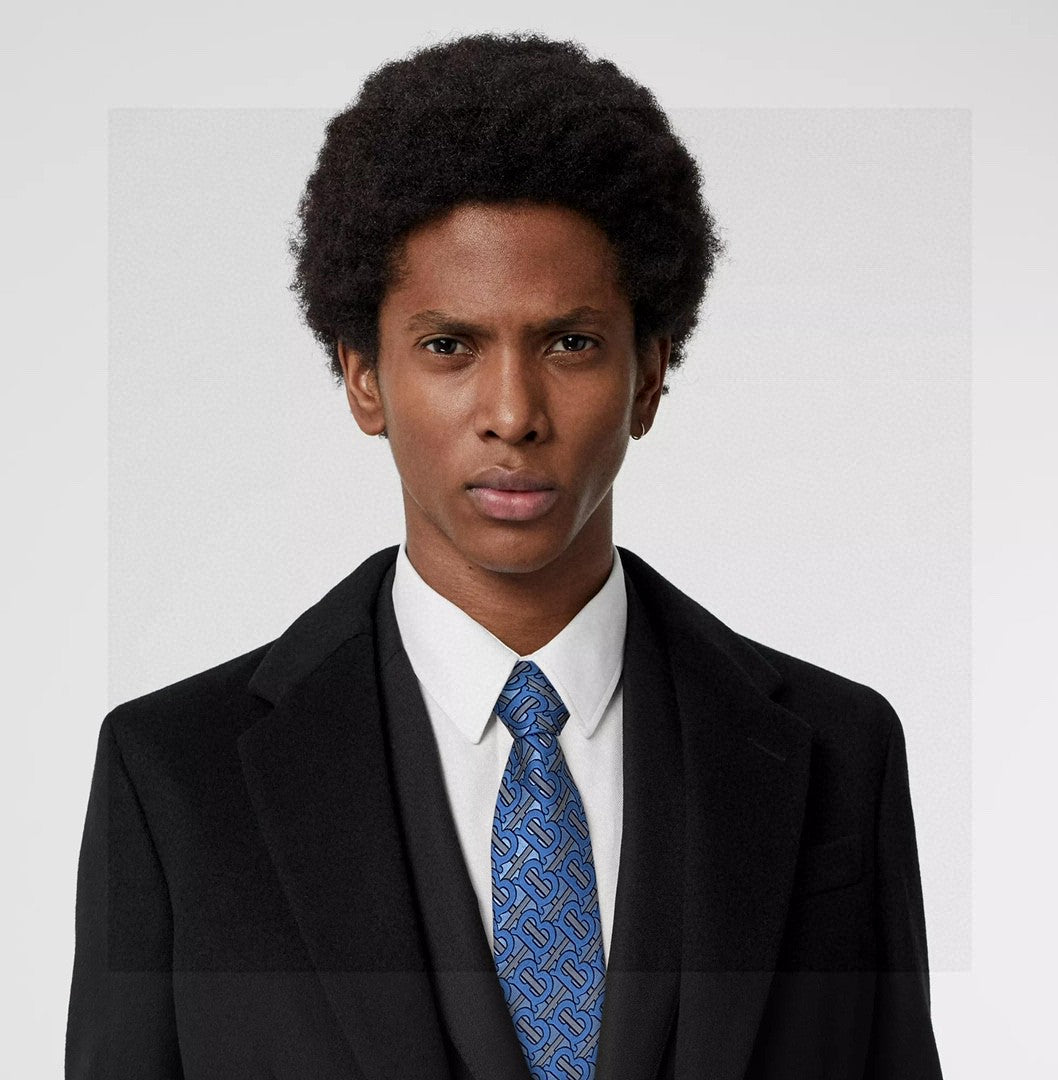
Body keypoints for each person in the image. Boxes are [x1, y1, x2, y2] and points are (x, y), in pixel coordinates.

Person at [65, 32, 944, 1080]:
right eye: (449, 347)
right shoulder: (175, 779)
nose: (514, 413)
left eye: (571, 343)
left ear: (649, 376)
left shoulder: (842, 754)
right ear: (364, 378)